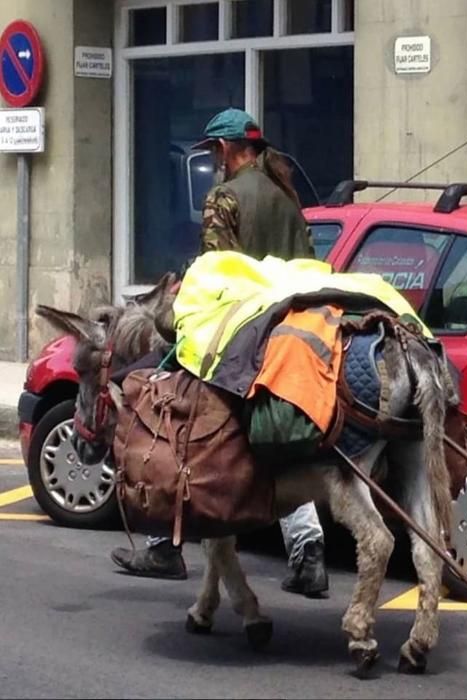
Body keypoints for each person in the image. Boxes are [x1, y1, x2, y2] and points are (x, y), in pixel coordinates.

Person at [110, 108, 329, 598]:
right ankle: (308, 552)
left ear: (227, 150)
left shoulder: (223, 198)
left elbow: (215, 272)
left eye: (214, 152)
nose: (214, 161)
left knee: (170, 417)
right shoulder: (287, 199)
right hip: (293, 336)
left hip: (239, 335)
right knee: (277, 440)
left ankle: (165, 546)